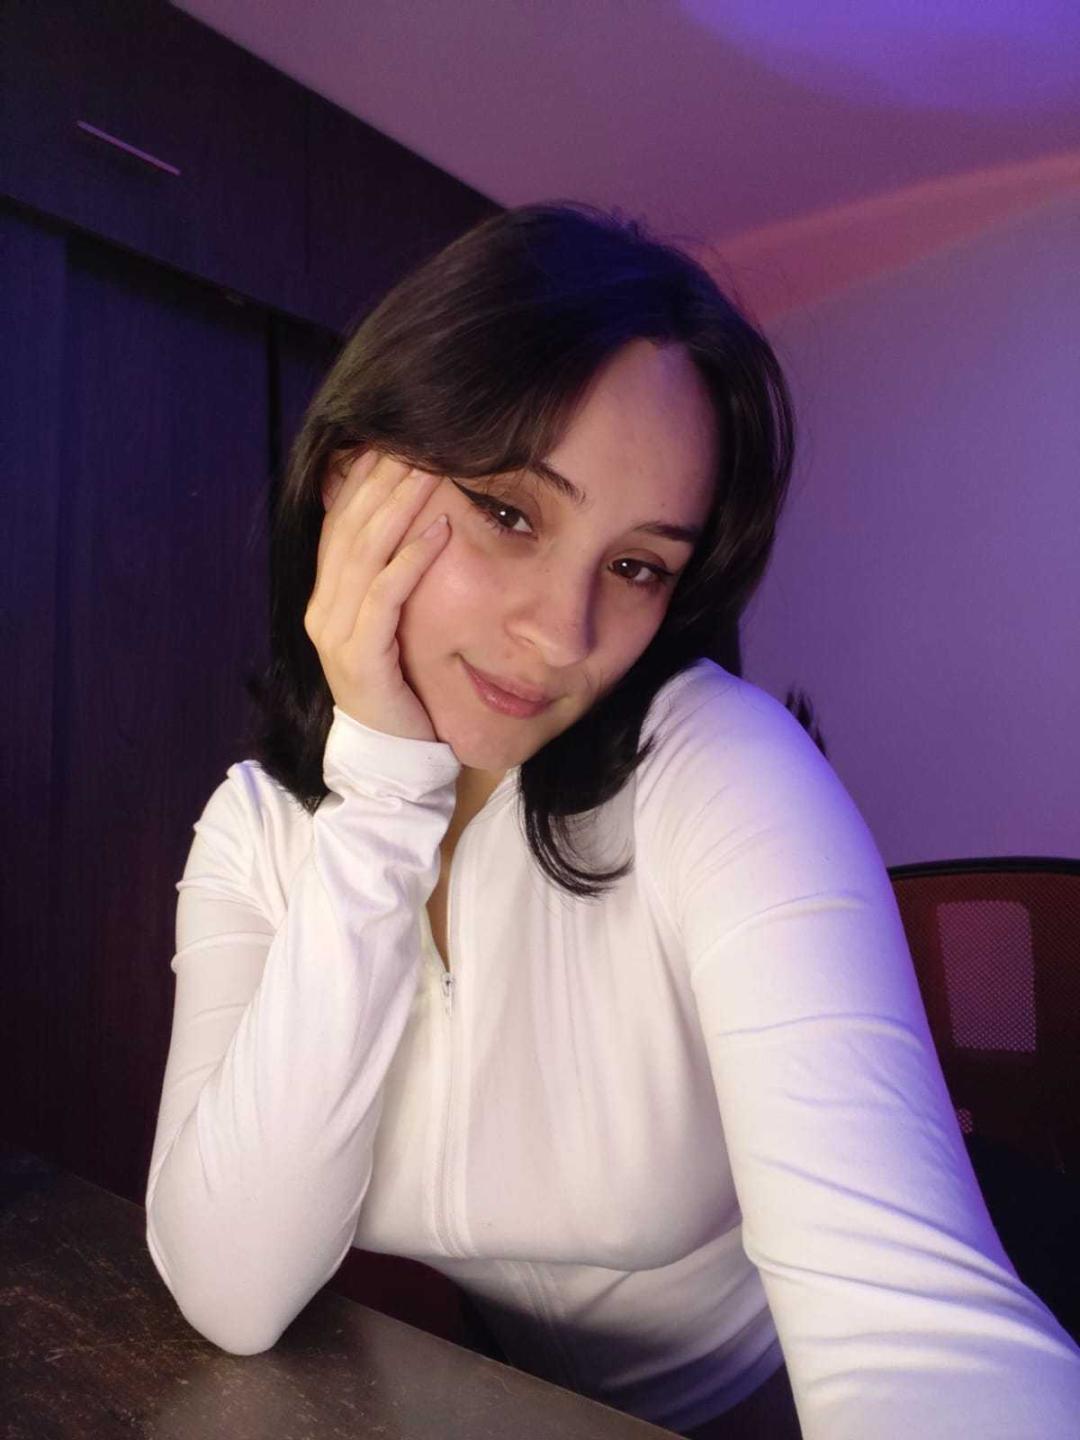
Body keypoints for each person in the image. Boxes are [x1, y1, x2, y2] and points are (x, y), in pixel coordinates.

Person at [145, 201, 1080, 1439]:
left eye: (637, 565)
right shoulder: (258, 834)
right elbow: (231, 1287)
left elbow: (914, 1344)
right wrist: (381, 796)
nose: (562, 635)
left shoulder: (719, 769)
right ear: (350, 476)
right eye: (511, 512)